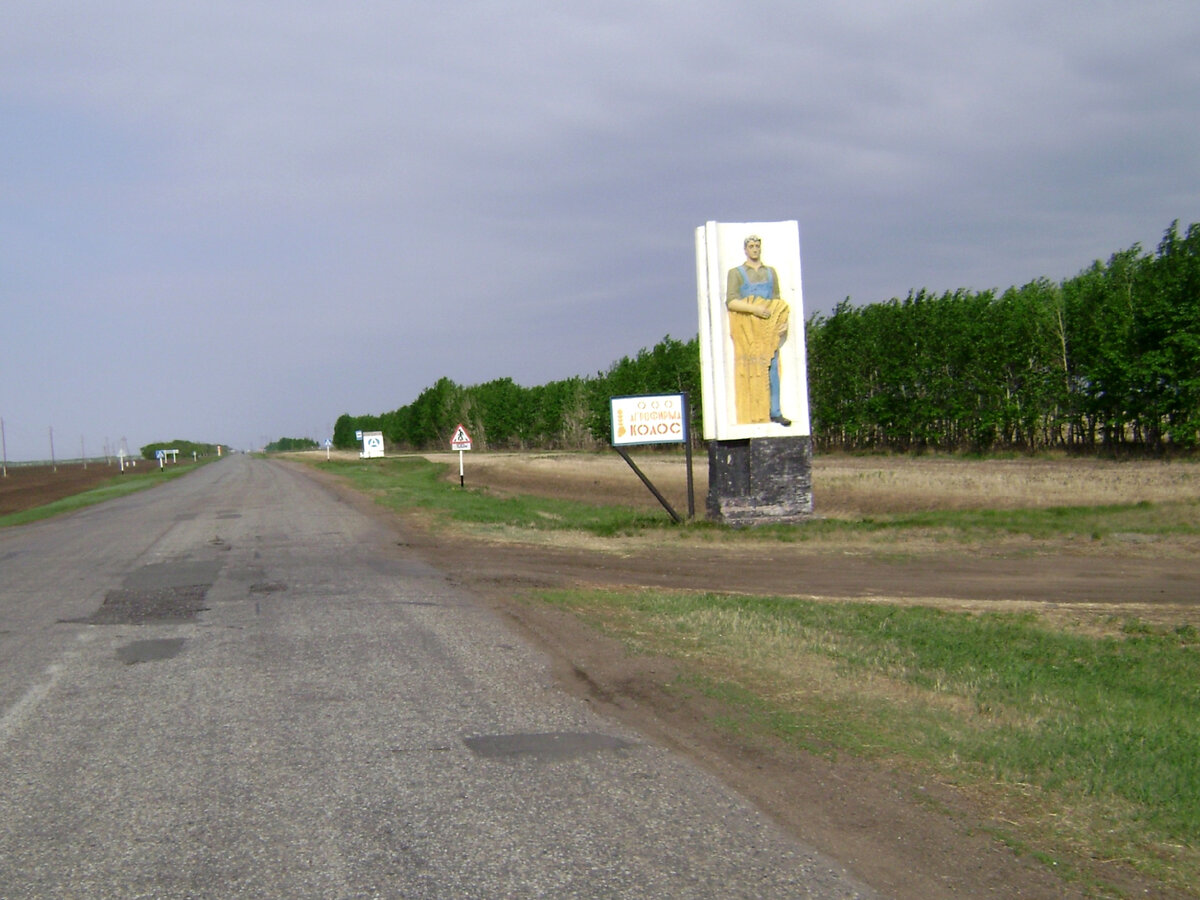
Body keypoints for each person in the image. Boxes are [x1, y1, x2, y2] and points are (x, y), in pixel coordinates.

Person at [726, 235, 791, 426]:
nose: (755, 249)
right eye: (751, 246)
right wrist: (755, 309)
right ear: (745, 249)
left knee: (772, 370)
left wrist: (783, 321)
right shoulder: (736, 273)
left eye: (757, 246)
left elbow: (778, 300)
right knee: (750, 369)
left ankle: (775, 410)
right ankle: (754, 410)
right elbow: (731, 301)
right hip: (748, 329)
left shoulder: (770, 272)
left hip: (769, 329)